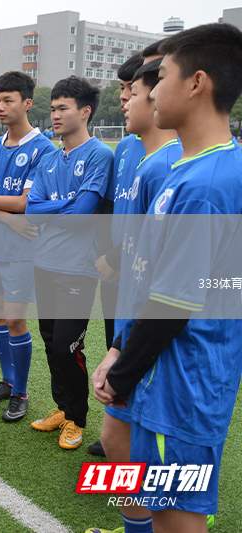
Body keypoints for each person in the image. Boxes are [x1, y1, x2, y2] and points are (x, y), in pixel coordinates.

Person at [93, 23, 242, 533]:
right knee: (155, 504)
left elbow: (174, 303)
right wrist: (119, 347)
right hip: (163, 373)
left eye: (162, 78)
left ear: (197, 83)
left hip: (182, 382)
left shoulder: (208, 182)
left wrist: (122, 374)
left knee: (175, 518)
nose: (151, 92)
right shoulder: (187, 169)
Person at [85, 58, 183, 533]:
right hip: (133, 317)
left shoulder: (177, 168)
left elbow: (178, 282)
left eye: (137, 88)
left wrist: (125, 351)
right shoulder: (139, 155)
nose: (124, 98)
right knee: (118, 438)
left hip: (161, 338)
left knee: (153, 456)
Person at [24, 76, 113, 450]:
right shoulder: (49, 158)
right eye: (53, 108)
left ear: (85, 111)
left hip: (78, 267)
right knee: (50, 341)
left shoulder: (99, 155)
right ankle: (63, 408)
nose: (55, 115)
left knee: (67, 345)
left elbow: (83, 215)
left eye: (63, 108)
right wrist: (67, 204)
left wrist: (56, 208)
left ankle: (77, 417)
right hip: (44, 262)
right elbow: (31, 210)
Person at [0, 72, 56, 421]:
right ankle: (7, 381)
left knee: (17, 320)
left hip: (22, 250)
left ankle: (21, 391)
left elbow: (26, 202)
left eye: (8, 100)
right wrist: (9, 219)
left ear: (27, 103)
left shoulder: (43, 149)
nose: (0, 107)